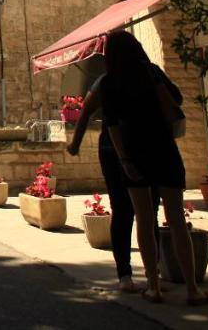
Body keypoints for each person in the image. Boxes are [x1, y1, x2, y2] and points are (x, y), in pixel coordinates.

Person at [98, 30, 208, 306]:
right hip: (164, 149)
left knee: (145, 221)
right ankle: (192, 289)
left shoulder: (110, 82)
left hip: (135, 154)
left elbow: (112, 126)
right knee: (176, 221)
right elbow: (177, 102)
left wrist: (124, 159)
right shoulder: (153, 72)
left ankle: (153, 285)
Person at [67, 74, 150, 292]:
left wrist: (75, 144)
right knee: (148, 212)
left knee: (122, 210)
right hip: (146, 146)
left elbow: (86, 112)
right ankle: (155, 275)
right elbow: (175, 101)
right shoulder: (151, 74)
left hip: (112, 149)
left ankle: (125, 275)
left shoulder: (105, 81)